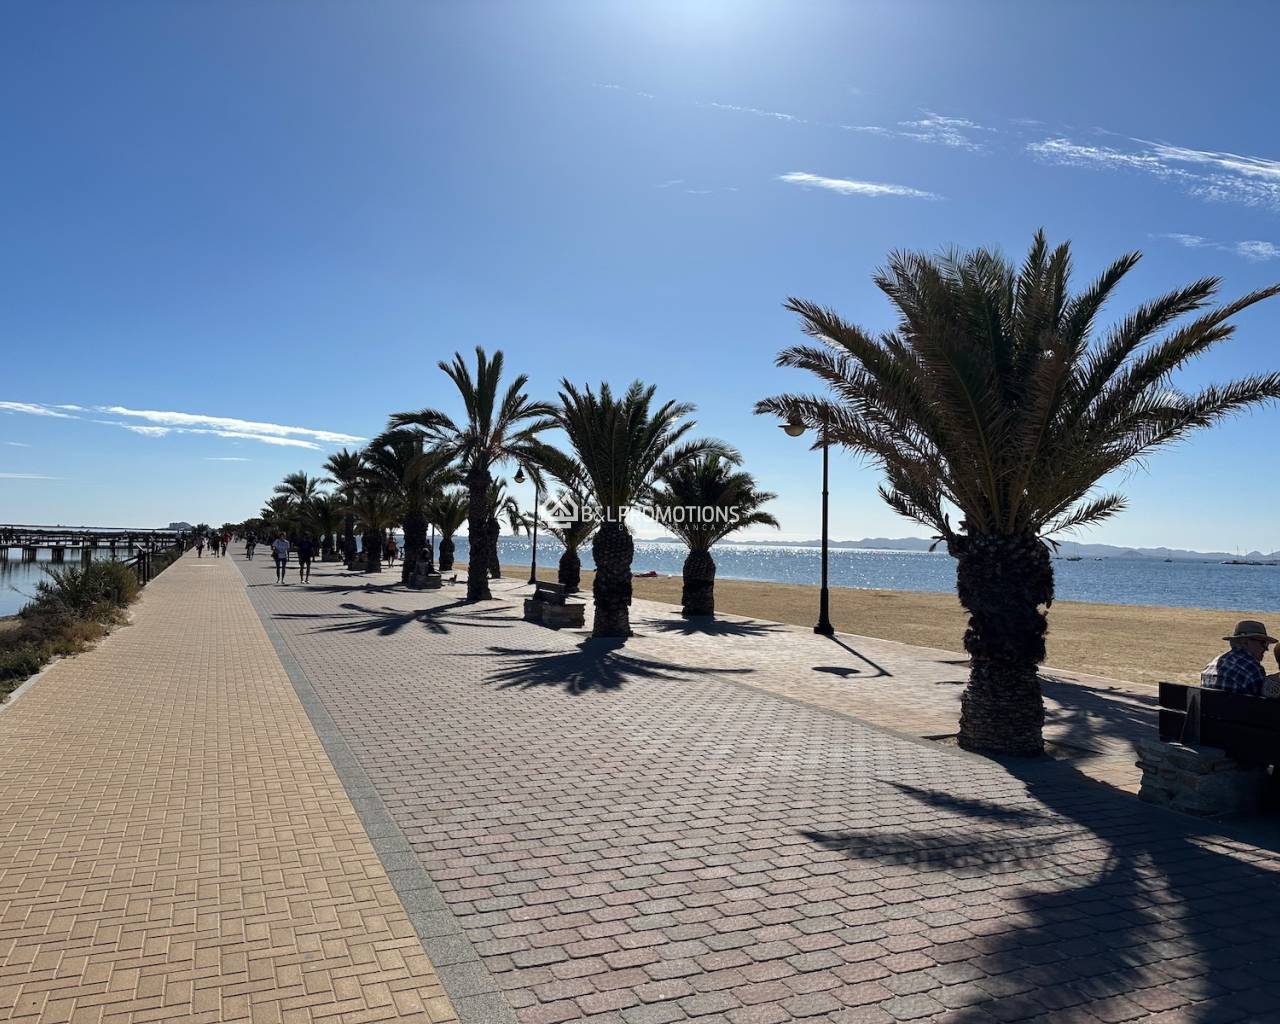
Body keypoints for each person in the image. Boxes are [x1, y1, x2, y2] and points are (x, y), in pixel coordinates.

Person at [1200, 620, 1276, 696]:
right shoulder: (1252, 668)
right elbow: (1264, 700)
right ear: (1245, 642)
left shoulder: (1211, 665)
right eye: (1263, 643)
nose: (1266, 649)